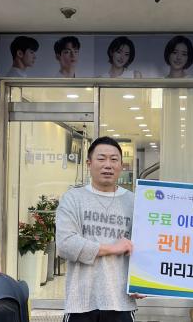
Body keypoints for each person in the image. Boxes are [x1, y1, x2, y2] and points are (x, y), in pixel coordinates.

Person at [56, 136, 143, 322]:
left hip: (120, 302)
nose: (108, 165)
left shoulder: (134, 201)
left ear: (121, 165)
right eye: (101, 159)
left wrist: (141, 281)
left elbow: (143, 247)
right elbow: (65, 244)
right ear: (89, 163)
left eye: (114, 159)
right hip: (81, 302)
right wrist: (112, 248)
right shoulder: (73, 198)